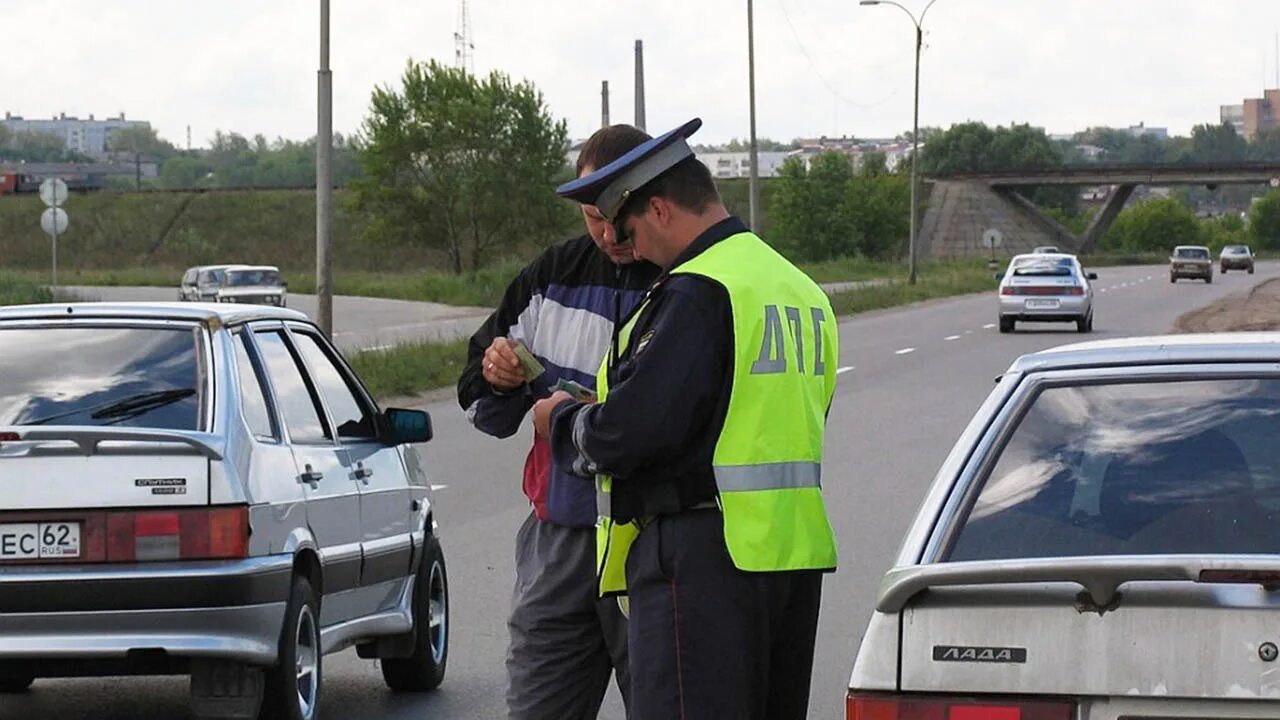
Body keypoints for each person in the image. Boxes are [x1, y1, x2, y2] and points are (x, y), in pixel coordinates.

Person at [532, 118, 840, 719]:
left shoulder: (699, 290)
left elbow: (629, 434)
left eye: (632, 231)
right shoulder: (800, 290)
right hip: (788, 556)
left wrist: (565, 422)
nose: (634, 250)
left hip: (702, 559)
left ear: (660, 209)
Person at [457, 124, 660, 720]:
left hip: (655, 543)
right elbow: (479, 403)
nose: (608, 233)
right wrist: (497, 378)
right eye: (591, 217)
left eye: (616, 215)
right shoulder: (550, 278)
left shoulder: (688, 281)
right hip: (560, 545)